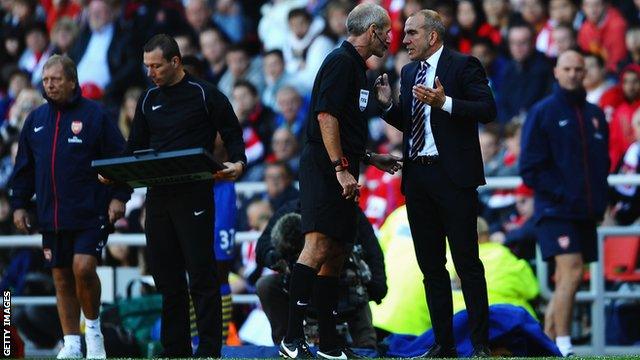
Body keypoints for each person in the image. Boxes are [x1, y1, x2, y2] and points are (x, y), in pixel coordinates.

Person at [279, 3, 400, 359]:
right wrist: (339, 168)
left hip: (342, 165)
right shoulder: (340, 61)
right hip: (324, 168)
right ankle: (291, 338)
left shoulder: (357, 69)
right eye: (388, 31)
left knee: (336, 253)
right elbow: (325, 116)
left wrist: (368, 157)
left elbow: (343, 126)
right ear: (373, 31)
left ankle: (329, 343)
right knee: (316, 247)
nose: (391, 39)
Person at [375, 9, 496, 358]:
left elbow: (487, 109)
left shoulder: (463, 65)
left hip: (453, 176)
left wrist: (446, 102)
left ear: (432, 36)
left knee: (467, 263)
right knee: (431, 266)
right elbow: (410, 121)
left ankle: (481, 345)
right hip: (418, 178)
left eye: (411, 33)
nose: (404, 39)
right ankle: (444, 345)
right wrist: (386, 108)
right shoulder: (409, 70)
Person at [124, 34, 246, 357]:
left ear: (175, 62)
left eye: (156, 66)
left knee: (202, 274)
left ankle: (208, 350)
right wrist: (115, 180)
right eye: (147, 66)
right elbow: (134, 148)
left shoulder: (204, 94)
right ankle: (174, 349)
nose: (150, 73)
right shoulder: (148, 100)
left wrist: (239, 162)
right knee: (167, 279)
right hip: (158, 196)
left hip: (195, 194)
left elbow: (232, 131)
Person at [8, 54, 131, 359]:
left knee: (84, 267)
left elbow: (120, 159)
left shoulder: (95, 115)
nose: (49, 85)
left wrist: (119, 196)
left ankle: (94, 334)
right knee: (61, 276)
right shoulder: (35, 120)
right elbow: (23, 168)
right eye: (46, 80)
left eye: (56, 80)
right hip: (51, 215)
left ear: (72, 81)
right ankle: (72, 343)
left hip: (91, 211)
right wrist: (19, 205)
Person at [520, 50, 609, 357]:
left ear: (585, 73)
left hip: (585, 211)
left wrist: (600, 202)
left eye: (578, 69)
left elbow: (602, 165)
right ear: (556, 72)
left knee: (570, 277)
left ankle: (546, 339)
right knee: (570, 271)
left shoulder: (596, 115)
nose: (573, 74)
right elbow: (529, 166)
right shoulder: (542, 112)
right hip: (555, 209)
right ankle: (565, 344)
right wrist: (561, 193)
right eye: (567, 68)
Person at [255, 199, 386, 349]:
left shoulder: (348, 209)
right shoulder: (290, 210)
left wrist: (377, 285)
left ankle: (364, 342)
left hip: (344, 285)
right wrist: (278, 258)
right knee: (266, 285)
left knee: (367, 351)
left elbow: (372, 248)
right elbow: (262, 246)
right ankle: (287, 344)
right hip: (301, 282)